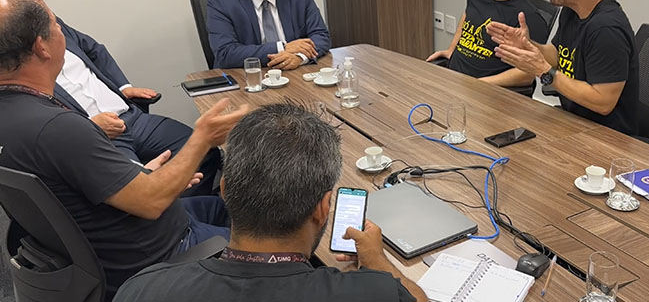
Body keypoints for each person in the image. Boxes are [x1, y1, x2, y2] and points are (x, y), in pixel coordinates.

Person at [0, 0, 249, 299]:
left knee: (231, 208)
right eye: (55, 25)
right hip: (160, 256)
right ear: (42, 47)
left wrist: (144, 176)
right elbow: (151, 201)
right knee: (274, 240)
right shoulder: (59, 128)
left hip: (113, 242)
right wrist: (203, 137)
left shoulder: (19, 116)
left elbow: (81, 183)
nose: (62, 30)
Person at [114, 103, 427, 302]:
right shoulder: (374, 292)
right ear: (323, 207)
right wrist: (377, 261)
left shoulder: (141, 290)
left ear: (224, 189)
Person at [0, 0, 221, 197]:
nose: (55, 27)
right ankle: (182, 220)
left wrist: (124, 88)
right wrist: (90, 127)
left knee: (204, 150)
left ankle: (191, 211)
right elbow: (139, 194)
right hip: (96, 134)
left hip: (128, 117)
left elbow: (95, 49)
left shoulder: (49, 23)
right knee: (142, 188)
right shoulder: (24, 82)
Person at [487, 0, 639, 136]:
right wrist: (528, 45)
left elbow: (603, 102)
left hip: (607, 138)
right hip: (573, 123)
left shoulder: (607, 29)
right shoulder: (573, 10)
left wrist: (544, 72)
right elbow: (559, 55)